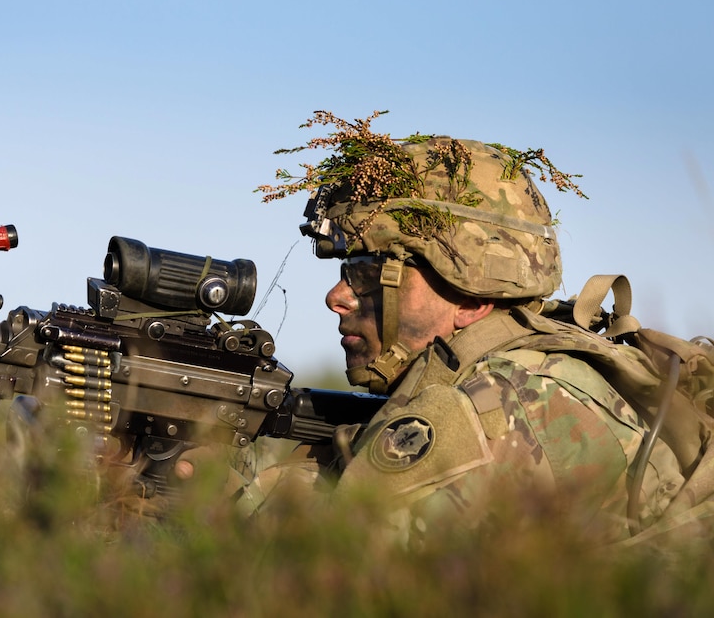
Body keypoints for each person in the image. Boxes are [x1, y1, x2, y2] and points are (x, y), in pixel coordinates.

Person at [244, 110, 707, 546]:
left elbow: (325, 574)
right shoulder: (500, 372)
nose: (337, 297)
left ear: (471, 292)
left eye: (366, 273)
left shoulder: (505, 402)